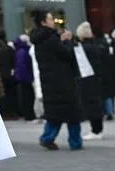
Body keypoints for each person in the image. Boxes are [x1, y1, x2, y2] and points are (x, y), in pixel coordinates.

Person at [32, 11, 82, 151]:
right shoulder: (51, 38)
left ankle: (47, 137)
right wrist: (67, 40)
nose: (53, 20)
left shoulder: (39, 39)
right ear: (43, 22)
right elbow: (67, 54)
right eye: (49, 18)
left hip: (49, 81)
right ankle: (75, 142)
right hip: (63, 80)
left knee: (55, 113)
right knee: (72, 113)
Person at [75, 22, 108, 140]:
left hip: (87, 78)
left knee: (91, 104)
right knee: (96, 103)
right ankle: (97, 129)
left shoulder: (82, 47)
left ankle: (96, 130)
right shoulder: (96, 45)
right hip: (96, 77)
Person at [12, 34, 36, 121]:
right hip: (25, 77)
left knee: (27, 96)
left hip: (23, 77)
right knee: (28, 97)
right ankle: (29, 115)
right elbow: (23, 66)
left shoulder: (20, 50)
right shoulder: (23, 51)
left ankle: (29, 115)